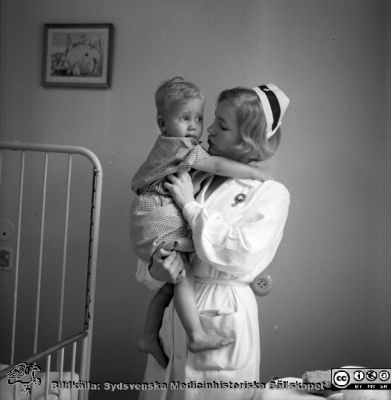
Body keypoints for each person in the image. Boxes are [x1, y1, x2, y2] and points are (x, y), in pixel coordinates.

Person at [135, 82, 291, 400]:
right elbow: (158, 236)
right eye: (213, 119)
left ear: (249, 137)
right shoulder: (193, 174)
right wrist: (156, 270)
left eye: (222, 124)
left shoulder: (270, 192)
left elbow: (238, 253)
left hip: (222, 313)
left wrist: (191, 207)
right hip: (175, 308)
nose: (208, 129)